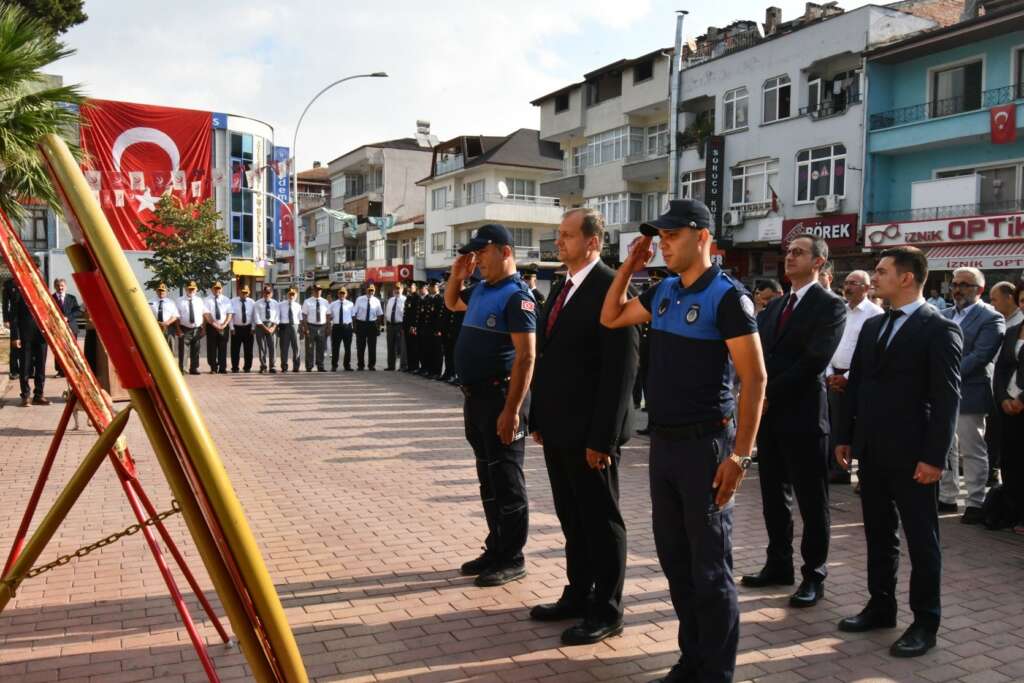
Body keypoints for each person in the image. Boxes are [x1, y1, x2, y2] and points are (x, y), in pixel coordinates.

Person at [600, 200, 766, 683]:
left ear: (702, 237)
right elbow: (611, 316)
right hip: (664, 447)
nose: (664, 244)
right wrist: (629, 265)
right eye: (661, 236)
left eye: (672, 235)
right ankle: (692, 658)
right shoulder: (665, 290)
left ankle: (715, 672)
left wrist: (741, 456)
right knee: (676, 561)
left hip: (707, 448)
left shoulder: (727, 297)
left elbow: (755, 380)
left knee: (710, 568)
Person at [835, 246, 962, 658]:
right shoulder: (875, 326)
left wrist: (934, 457)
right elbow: (858, 386)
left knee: (922, 540)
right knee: (878, 533)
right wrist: (846, 435)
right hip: (872, 451)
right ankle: (880, 606)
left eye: (883, 270)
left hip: (914, 455)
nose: (876, 276)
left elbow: (946, 399)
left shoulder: (938, 327)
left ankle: (925, 622)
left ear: (907, 277)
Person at [528, 208, 638, 646]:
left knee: (601, 520)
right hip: (558, 428)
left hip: (591, 434)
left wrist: (603, 439)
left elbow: (620, 372)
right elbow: (552, 358)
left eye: (568, 236)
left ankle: (608, 609)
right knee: (572, 517)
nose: (560, 242)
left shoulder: (612, 287)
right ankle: (578, 593)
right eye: (559, 235)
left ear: (593, 242)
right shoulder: (563, 285)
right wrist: (538, 417)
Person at [742, 235, 846, 610]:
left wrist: (767, 394)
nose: (790, 257)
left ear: (818, 262)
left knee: (811, 501)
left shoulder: (830, 306)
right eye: (788, 252)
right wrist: (753, 390)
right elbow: (758, 356)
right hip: (770, 419)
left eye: (799, 252)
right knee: (773, 495)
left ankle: (813, 575)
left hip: (803, 416)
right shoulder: (775, 307)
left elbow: (814, 361)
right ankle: (778, 564)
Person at [446, 223, 536, 589]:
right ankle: (495, 547)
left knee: (507, 481)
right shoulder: (483, 289)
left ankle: (512, 557)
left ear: (505, 251)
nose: (477, 259)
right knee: (488, 478)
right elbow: (451, 302)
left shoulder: (517, 296)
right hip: (475, 399)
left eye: (483, 252)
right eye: (475, 253)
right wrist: (456, 275)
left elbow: (527, 357)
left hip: (502, 400)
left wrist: (512, 410)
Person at [937, 267, 1004, 522]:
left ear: (980, 289)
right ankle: (947, 496)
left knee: (971, 449)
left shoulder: (990, 317)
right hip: (942, 392)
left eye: (965, 285)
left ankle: (975, 501)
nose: (957, 289)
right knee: (945, 447)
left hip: (970, 390)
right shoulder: (943, 314)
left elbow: (980, 355)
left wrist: (945, 374)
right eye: (955, 284)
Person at [825, 270, 883, 485]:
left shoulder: (874, 314)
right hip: (834, 375)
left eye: (854, 283)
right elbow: (833, 342)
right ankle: (838, 469)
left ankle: (864, 473)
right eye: (846, 282)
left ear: (866, 288)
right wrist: (831, 373)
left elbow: (871, 352)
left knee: (861, 425)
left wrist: (848, 376)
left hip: (859, 376)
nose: (847, 287)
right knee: (837, 424)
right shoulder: (841, 310)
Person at [993, 286, 1024, 527]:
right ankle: (1012, 512)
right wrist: (1003, 397)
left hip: (1021, 404)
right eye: (1022, 300)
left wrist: (1020, 400)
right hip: (1008, 407)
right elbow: (1002, 368)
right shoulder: (1012, 331)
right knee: (1010, 460)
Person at [9, 279, 49, 407]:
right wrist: (16, 337)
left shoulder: (44, 296)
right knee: (25, 367)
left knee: (41, 367)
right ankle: (25, 396)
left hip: (41, 337)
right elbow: (13, 317)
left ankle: (39, 395)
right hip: (25, 337)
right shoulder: (20, 293)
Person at [52, 278, 81, 377]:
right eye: (58, 286)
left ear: (65, 286)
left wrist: (67, 318)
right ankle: (60, 371)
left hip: (71, 327)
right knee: (59, 349)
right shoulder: (51, 298)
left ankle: (73, 370)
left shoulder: (72, 298)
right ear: (54, 287)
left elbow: (78, 311)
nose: (60, 288)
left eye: (62, 286)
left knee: (73, 350)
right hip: (57, 328)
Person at [176, 281, 206, 375]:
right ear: (185, 289)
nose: (191, 290)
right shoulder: (179, 300)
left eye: (193, 289)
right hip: (184, 328)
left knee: (196, 350)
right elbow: (176, 316)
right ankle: (183, 369)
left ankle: (194, 368)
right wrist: (179, 330)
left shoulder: (199, 300)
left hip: (197, 329)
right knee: (183, 350)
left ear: (196, 289)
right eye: (189, 288)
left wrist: (203, 328)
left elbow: (204, 314)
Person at [353, 284, 384, 371]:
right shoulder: (359, 299)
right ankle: (360, 365)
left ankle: (371, 365)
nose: (371, 292)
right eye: (369, 290)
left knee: (372, 347)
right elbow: (354, 313)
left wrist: (378, 327)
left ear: (374, 291)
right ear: (366, 290)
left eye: (372, 290)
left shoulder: (376, 301)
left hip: (372, 324)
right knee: (360, 346)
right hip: (361, 324)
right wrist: (355, 326)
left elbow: (379, 315)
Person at [204, 281, 232, 374]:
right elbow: (207, 314)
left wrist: (224, 324)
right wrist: (215, 325)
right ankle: (213, 368)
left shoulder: (226, 300)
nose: (217, 290)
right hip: (211, 327)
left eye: (219, 288)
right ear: (212, 289)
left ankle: (222, 368)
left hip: (224, 327)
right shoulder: (207, 300)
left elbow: (229, 313)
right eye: (215, 288)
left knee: (223, 348)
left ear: (222, 289)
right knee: (211, 348)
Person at [419, 279, 444, 378]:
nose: (430, 288)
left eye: (432, 286)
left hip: (435, 330)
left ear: (437, 287)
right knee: (428, 350)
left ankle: (437, 372)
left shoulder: (440, 299)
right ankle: (430, 370)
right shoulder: (428, 299)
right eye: (430, 286)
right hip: (428, 330)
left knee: (437, 352)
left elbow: (440, 317)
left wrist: (438, 330)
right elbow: (425, 315)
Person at [302, 284, 329, 372]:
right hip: (311, 326)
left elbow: (327, 315)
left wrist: (328, 327)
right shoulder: (307, 302)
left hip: (322, 326)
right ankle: (309, 366)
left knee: (321, 348)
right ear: (313, 291)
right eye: (316, 290)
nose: (318, 291)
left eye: (320, 290)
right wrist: (306, 328)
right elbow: (304, 316)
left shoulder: (325, 301)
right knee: (309, 347)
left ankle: (320, 365)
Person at [253, 285, 279, 374]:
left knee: (272, 347)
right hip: (261, 326)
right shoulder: (257, 303)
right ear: (262, 293)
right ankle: (263, 366)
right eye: (265, 293)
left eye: (268, 293)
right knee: (262, 347)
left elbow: (277, 316)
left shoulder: (275, 303)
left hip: (272, 326)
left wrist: (273, 327)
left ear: (271, 293)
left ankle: (273, 366)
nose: (267, 294)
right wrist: (265, 328)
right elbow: (256, 317)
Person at [230, 285, 255, 373]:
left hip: (248, 328)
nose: (244, 294)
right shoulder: (232, 301)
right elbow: (231, 316)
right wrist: (232, 327)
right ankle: (235, 367)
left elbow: (253, 316)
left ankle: (247, 367)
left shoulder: (252, 302)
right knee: (235, 350)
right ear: (239, 292)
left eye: (245, 292)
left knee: (248, 350)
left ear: (248, 293)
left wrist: (253, 327)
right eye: (242, 292)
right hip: (236, 328)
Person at [328, 287, 354, 372]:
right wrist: (328, 326)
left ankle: (347, 365)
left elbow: (353, 316)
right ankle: (334, 366)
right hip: (336, 327)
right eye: (340, 293)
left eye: (343, 293)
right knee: (335, 348)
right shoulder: (333, 304)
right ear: (338, 294)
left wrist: (354, 328)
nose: (342, 295)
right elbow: (329, 316)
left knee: (347, 348)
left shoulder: (350, 304)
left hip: (347, 327)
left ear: (346, 294)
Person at [278, 288, 302, 372]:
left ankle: (296, 367)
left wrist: (301, 330)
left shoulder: (298, 306)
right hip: (284, 326)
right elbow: (278, 317)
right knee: (284, 348)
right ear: (287, 295)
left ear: (296, 296)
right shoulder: (280, 305)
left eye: (293, 294)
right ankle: (284, 367)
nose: (291, 296)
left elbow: (300, 319)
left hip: (295, 326)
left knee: (296, 348)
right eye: (290, 294)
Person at [150, 283, 179, 351]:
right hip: (155, 327)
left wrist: (167, 322)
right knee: (155, 347)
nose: (161, 292)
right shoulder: (150, 302)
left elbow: (175, 316)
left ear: (166, 292)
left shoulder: (171, 302)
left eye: (163, 291)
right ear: (156, 291)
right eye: (159, 290)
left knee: (170, 347)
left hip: (168, 328)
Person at [384, 283, 406, 371]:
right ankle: (391, 366)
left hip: (399, 325)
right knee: (390, 346)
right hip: (390, 325)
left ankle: (403, 366)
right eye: (395, 288)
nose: (397, 290)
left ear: (402, 289)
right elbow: (387, 313)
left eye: (398, 288)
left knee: (401, 347)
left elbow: (406, 315)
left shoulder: (405, 300)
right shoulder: (391, 300)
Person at [3, 278, 21, 379]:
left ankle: (28, 370)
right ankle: (14, 371)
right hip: (14, 318)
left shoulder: (28, 279)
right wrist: (6, 319)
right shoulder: (9, 284)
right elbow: (5, 303)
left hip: (27, 317)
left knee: (27, 344)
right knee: (14, 344)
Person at [403, 281, 420, 373]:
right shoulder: (408, 298)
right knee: (408, 346)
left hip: (413, 326)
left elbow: (415, 314)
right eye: (409, 286)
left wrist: (414, 326)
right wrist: (404, 326)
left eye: (411, 286)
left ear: (415, 287)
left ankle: (415, 366)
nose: (410, 288)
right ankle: (410, 366)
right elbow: (406, 313)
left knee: (414, 347)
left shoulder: (417, 298)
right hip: (407, 326)